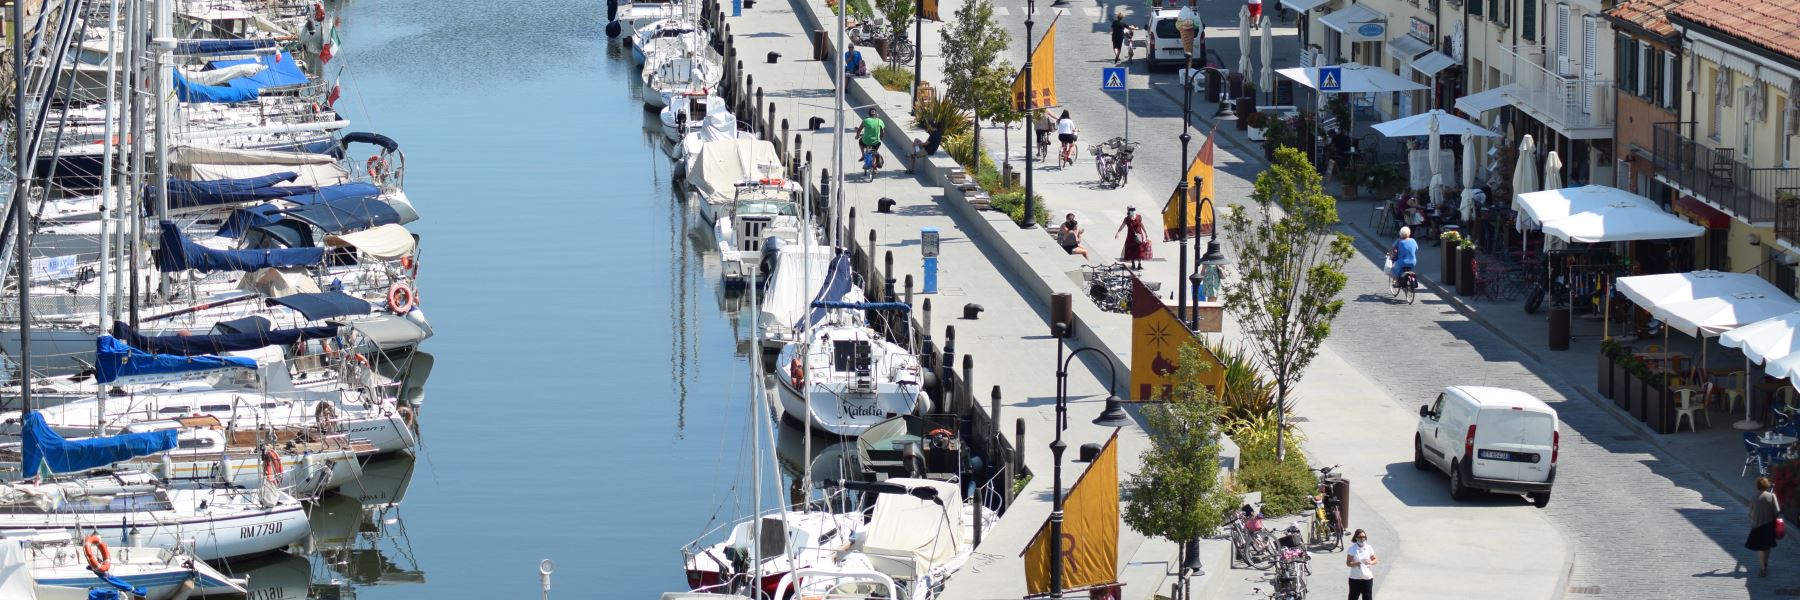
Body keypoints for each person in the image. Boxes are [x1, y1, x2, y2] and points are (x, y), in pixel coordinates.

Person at [1747, 476, 1782, 577]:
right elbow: (1777, 511)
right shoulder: (1772, 496)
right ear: (1767, 486)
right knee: (1766, 546)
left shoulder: (1754, 497)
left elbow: (1750, 513)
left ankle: (1762, 568)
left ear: (1757, 486)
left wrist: (1755, 517)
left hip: (1757, 526)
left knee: (1760, 548)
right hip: (1769, 526)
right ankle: (1765, 564)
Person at [1346, 529, 1378, 600]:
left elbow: (1375, 560)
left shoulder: (1369, 547)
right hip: (1355, 579)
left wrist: (1370, 562)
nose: (1362, 539)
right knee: (1353, 597)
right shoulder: (1352, 549)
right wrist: (1357, 563)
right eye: (1360, 537)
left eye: (1364, 537)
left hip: (1367, 579)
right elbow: (1348, 563)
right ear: (1356, 538)